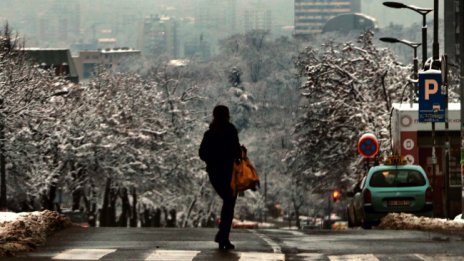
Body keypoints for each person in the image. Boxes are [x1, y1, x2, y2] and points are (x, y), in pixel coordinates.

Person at [199, 105, 241, 250]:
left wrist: (212, 160)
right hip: (229, 173)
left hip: (215, 173)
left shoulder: (209, 133)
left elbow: (202, 153)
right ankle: (224, 235)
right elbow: (237, 151)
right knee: (230, 202)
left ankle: (223, 235)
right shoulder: (231, 130)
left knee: (227, 200)